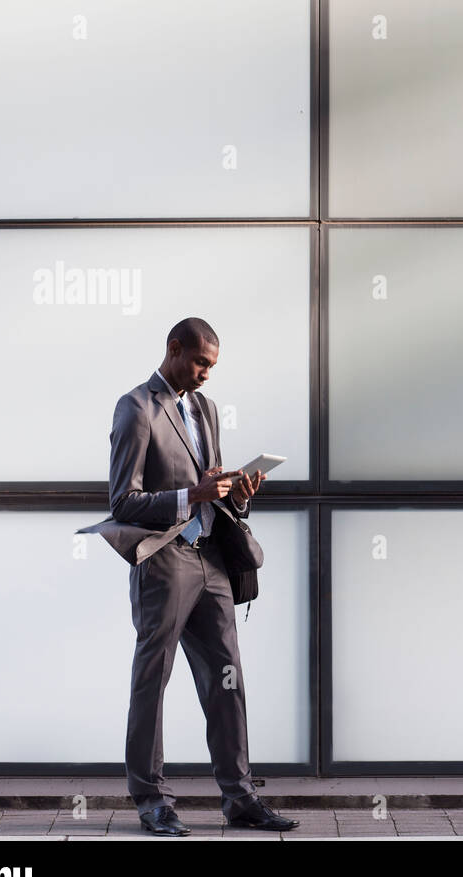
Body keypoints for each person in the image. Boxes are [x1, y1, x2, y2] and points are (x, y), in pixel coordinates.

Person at [106, 317, 298, 835]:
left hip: (210, 560)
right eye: (200, 363)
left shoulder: (206, 409)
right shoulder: (137, 407)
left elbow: (207, 479)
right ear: (174, 349)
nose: (207, 374)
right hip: (165, 563)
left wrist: (233, 492)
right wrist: (191, 495)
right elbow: (123, 501)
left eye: (212, 366)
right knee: (153, 679)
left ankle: (239, 798)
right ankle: (151, 801)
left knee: (227, 681)